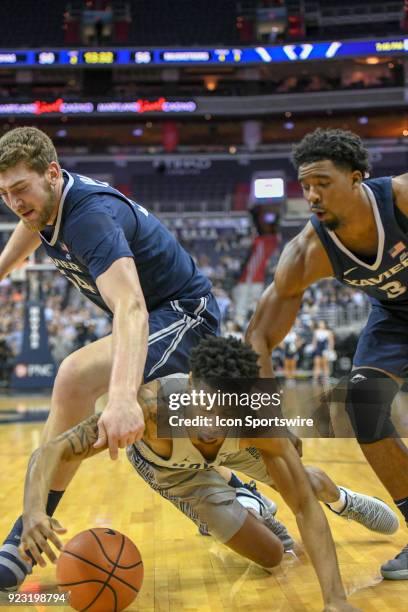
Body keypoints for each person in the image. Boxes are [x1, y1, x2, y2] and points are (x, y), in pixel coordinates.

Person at [19, 337, 396, 611]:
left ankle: (344, 500)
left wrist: (335, 600)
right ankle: (247, 498)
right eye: (205, 406)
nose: (214, 422)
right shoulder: (150, 408)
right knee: (273, 556)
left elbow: (304, 510)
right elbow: (53, 449)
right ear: (192, 384)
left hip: (241, 452)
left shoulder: (257, 420)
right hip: (173, 470)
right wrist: (35, 511)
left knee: (307, 486)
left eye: (226, 411)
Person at [0, 126, 221, 590]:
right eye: (4, 193)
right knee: (147, 417)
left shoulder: (88, 218)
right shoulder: (45, 207)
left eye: (20, 189)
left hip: (187, 315)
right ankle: (238, 489)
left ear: (53, 174)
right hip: (161, 315)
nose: (14, 202)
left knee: (76, 377)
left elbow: (132, 307)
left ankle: (26, 531)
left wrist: (119, 398)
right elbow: (27, 226)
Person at [246, 128, 408, 579]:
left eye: (323, 184)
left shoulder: (402, 199)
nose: (312, 196)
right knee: (361, 404)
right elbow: (258, 335)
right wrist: (268, 418)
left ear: (358, 178)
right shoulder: (308, 252)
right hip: (395, 317)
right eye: (306, 187)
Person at [312, 320, 335, 385]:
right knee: (317, 364)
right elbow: (314, 341)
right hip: (318, 350)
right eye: (320, 323)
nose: (321, 325)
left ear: (325, 324)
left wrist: (331, 350)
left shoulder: (328, 332)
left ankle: (326, 379)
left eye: (322, 323)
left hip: (325, 349)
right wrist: (314, 349)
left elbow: (331, 342)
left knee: (325, 364)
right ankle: (315, 379)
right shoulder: (316, 332)